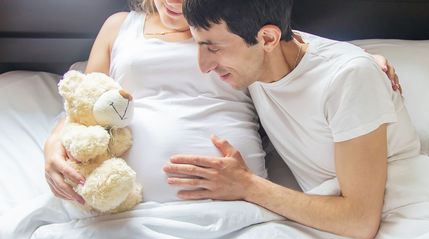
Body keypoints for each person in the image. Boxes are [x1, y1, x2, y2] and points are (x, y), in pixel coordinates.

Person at [43, 0, 399, 213]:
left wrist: (364, 60)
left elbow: (295, 50)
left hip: (231, 204)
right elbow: (84, 102)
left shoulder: (238, 24)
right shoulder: (120, 27)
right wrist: (52, 145)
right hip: (123, 204)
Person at [163, 0, 421, 239]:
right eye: (199, 45)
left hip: (400, 214)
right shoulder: (256, 54)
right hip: (320, 219)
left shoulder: (348, 77)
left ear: (267, 39)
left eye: (214, 49)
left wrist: (247, 186)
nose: (204, 66)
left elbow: (361, 222)